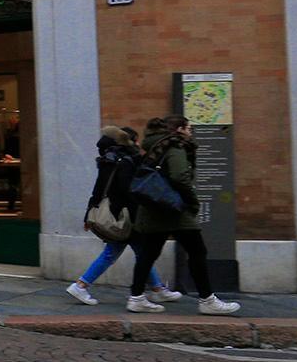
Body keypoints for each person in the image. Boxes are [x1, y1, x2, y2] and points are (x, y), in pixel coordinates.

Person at [126, 115, 240, 315]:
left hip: (153, 207)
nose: (191, 132)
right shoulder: (175, 146)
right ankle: (207, 300)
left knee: (148, 253)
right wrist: (192, 202)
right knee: (197, 252)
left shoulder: (152, 144)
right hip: (175, 209)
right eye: (189, 128)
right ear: (179, 129)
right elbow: (180, 176)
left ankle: (136, 297)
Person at [65, 125, 180, 306]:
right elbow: (130, 192)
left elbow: (98, 190)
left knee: (138, 253)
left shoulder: (108, 160)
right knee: (122, 254)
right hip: (126, 217)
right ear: (128, 141)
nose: (138, 144)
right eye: (135, 140)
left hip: (118, 215)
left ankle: (158, 289)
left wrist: (88, 213)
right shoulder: (125, 161)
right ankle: (81, 285)